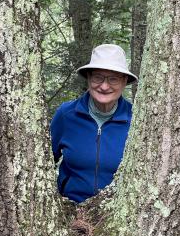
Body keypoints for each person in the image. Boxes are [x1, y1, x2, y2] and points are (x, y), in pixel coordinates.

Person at [51, 44, 137, 203]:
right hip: (70, 208)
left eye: (113, 79)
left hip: (119, 214)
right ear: (89, 78)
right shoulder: (66, 115)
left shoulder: (136, 120)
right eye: (98, 77)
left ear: (124, 81)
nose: (104, 86)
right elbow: (45, 161)